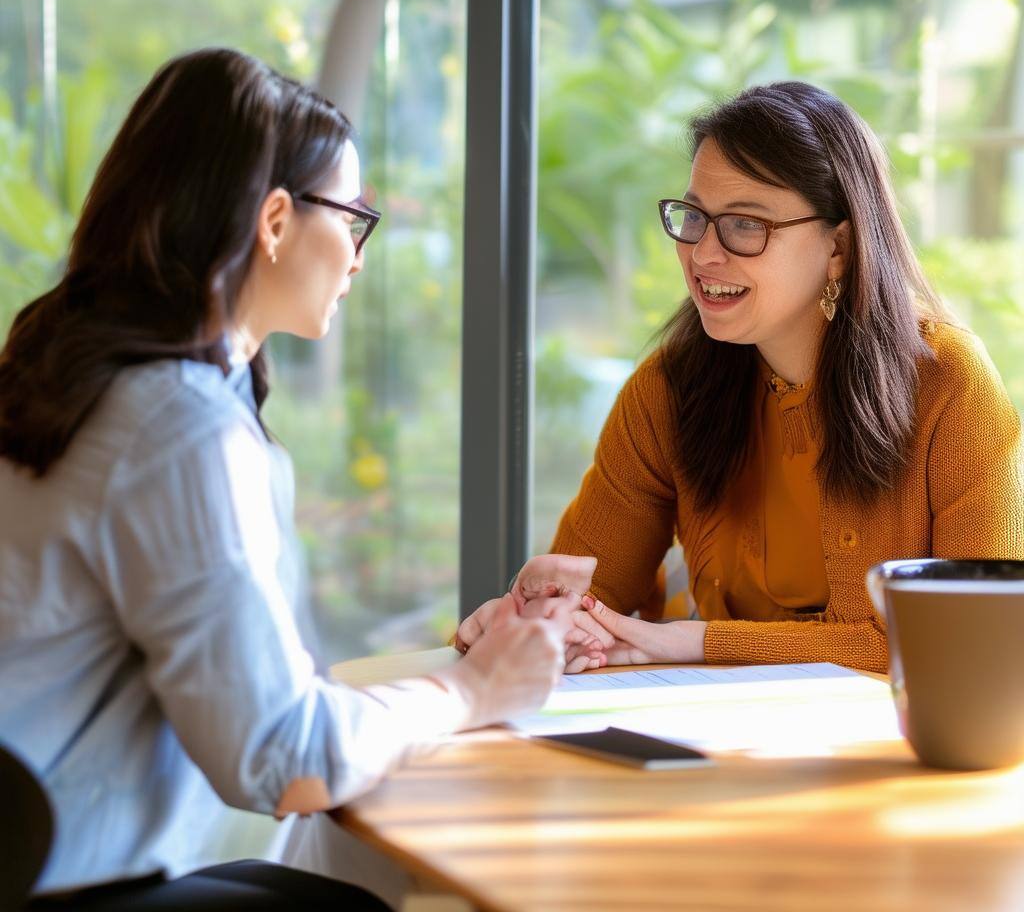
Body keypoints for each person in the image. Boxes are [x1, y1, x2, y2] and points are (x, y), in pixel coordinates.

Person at [0, 47, 580, 909]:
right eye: (352, 217)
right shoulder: (175, 423)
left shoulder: (68, 374)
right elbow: (282, 755)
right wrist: (472, 690)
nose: (356, 257)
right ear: (274, 222)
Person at [457, 80, 1024, 675]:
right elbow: (592, 597)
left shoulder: (950, 385)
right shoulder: (669, 389)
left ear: (839, 245)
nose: (702, 254)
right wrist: (530, 620)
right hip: (715, 741)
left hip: (894, 753)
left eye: (746, 225)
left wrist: (694, 641)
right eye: (695, 216)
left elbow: (984, 641)